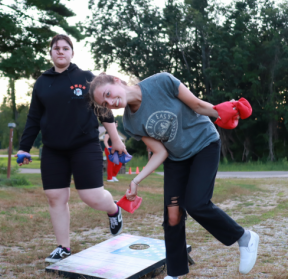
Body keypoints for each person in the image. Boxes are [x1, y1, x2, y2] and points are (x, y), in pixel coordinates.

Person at [89, 72, 259, 279]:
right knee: (172, 216)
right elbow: (161, 152)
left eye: (108, 94)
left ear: (116, 80)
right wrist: (135, 180)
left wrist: (223, 111)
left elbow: (196, 105)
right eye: (104, 103)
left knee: (197, 204)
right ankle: (175, 273)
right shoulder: (130, 123)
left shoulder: (162, 82)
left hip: (204, 144)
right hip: (176, 158)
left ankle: (244, 237)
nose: (110, 102)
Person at [16, 34, 127, 264]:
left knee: (92, 196)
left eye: (65, 48)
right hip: (53, 149)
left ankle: (113, 209)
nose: (60, 51)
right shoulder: (42, 82)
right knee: (55, 196)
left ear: (72, 53)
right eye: (56, 48)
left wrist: (116, 139)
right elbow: (34, 117)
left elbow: (104, 110)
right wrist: (24, 147)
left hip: (84, 145)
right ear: (51, 53)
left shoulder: (86, 78)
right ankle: (63, 247)